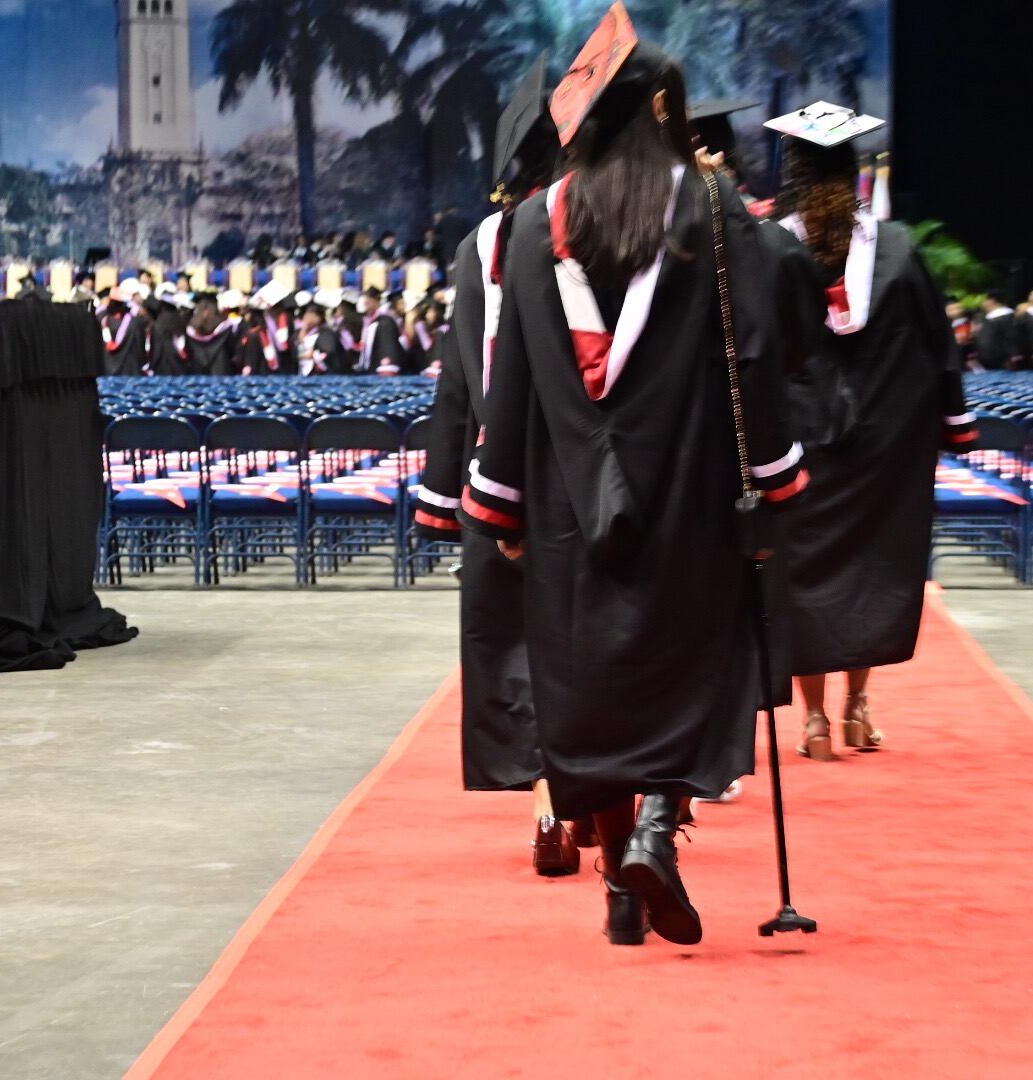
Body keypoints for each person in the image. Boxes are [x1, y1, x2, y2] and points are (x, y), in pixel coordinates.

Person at [458, 8, 806, 947]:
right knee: (688, 668)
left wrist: (500, 501)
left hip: (572, 507)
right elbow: (756, 358)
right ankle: (658, 829)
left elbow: (515, 377)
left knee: (596, 685)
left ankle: (620, 880)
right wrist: (775, 480)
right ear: (661, 106)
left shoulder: (534, 227)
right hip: (688, 500)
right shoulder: (714, 212)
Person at [416, 53, 594, 878]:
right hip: (592, 479)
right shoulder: (599, 225)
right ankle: (596, 792)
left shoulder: (478, 246)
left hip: (500, 476)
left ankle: (549, 804)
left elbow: (460, 378)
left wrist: (441, 490)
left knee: (519, 642)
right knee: (590, 634)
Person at [764, 100, 976, 760]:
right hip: (886, 443)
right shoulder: (899, 248)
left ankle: (817, 721)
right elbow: (939, 346)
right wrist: (954, 425)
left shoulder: (769, 248)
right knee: (872, 569)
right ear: (855, 174)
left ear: (793, 174)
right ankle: (860, 707)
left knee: (804, 576)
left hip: (801, 443)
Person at [183, 294, 237, 376]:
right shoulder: (226, 329)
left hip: (197, 374)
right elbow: (232, 351)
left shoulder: (190, 331)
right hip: (222, 373)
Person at [973, 290, 1019, 370]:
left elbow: (1012, 336)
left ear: (991, 301)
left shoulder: (1006, 315)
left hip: (1005, 361)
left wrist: (1014, 354)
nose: (982, 303)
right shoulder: (985, 318)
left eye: (984, 300)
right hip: (988, 362)